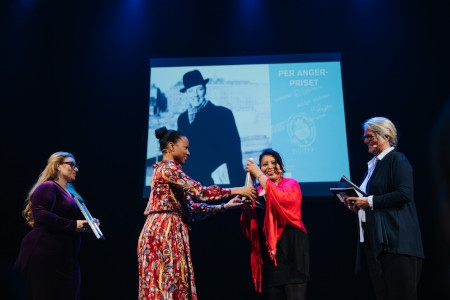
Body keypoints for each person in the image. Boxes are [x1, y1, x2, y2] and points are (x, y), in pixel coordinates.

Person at [137, 126, 257, 300]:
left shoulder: (167, 170)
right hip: (163, 232)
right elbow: (200, 192)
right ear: (171, 147)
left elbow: (193, 207)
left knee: (170, 284)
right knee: (165, 285)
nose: (189, 152)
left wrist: (226, 206)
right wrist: (239, 189)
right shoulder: (169, 168)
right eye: (185, 147)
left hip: (167, 229)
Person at [344, 117, 424, 300]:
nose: (365, 141)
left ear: (386, 136)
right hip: (377, 243)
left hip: (397, 242)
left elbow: (404, 194)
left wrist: (369, 202)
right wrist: (357, 206)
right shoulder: (373, 166)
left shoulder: (397, 159)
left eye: (370, 136)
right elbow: (374, 200)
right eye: (365, 137)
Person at [13, 151, 98, 300]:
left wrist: (88, 226)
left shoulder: (70, 193)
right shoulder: (48, 187)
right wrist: (75, 224)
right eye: (71, 164)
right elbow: (41, 215)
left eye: (76, 166)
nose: (76, 169)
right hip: (44, 253)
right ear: (58, 166)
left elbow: (69, 223)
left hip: (64, 257)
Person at [240, 148, 309, 300]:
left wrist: (258, 174)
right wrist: (247, 208)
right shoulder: (257, 191)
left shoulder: (291, 184)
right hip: (270, 252)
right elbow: (250, 223)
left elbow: (281, 199)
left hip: (292, 246)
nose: (269, 167)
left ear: (281, 166)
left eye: (274, 162)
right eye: (264, 164)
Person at [177, 69, 244, 187]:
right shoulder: (182, 119)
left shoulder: (223, 114)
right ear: (186, 93)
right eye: (191, 91)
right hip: (190, 185)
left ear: (205, 89)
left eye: (199, 89)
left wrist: (238, 186)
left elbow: (234, 153)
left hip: (216, 182)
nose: (195, 94)